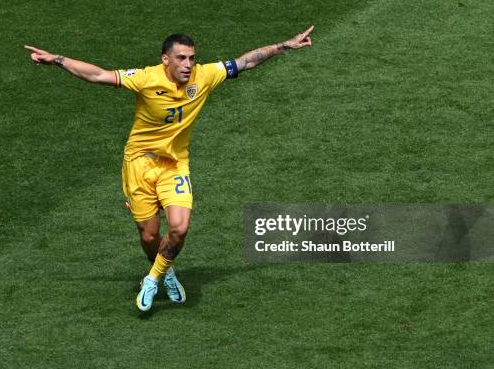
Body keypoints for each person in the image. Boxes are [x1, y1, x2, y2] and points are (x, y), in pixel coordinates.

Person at [24, 26, 314, 311]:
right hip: (139, 163)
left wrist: (283, 46)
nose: (188, 64)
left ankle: (151, 280)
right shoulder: (146, 78)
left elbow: (245, 61)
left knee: (179, 227)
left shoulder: (204, 76)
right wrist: (58, 59)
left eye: (192, 58)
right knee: (150, 235)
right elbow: (98, 75)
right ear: (166, 59)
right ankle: (166, 271)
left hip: (174, 164)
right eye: (181, 58)